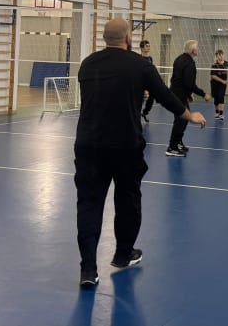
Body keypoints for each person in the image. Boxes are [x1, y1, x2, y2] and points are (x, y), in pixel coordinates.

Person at [75, 19, 206, 287]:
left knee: (89, 204)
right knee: (128, 200)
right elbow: (165, 96)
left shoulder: (87, 64)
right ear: (127, 38)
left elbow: (105, 94)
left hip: (89, 145)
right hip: (125, 146)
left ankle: (88, 269)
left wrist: (135, 93)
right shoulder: (140, 65)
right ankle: (123, 254)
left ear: (104, 38)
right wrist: (189, 115)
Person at [166, 40, 211, 156]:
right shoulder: (189, 63)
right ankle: (172, 148)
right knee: (181, 120)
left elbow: (179, 80)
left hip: (176, 93)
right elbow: (189, 84)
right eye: (197, 47)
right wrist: (204, 94)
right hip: (178, 94)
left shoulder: (179, 58)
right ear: (193, 50)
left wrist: (188, 94)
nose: (198, 49)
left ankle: (178, 143)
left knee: (185, 118)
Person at [139, 40, 156, 123]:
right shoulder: (138, 58)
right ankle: (136, 115)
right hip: (140, 82)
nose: (149, 47)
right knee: (140, 99)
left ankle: (145, 112)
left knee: (151, 98)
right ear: (142, 48)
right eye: (147, 46)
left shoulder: (150, 58)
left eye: (149, 46)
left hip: (149, 82)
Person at [209, 49, 228, 120]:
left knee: (221, 97)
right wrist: (222, 81)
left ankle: (221, 114)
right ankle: (217, 113)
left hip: (222, 84)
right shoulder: (214, 65)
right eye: (218, 55)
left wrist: (224, 81)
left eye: (221, 55)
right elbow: (213, 76)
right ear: (216, 56)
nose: (220, 57)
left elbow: (224, 70)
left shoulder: (226, 63)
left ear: (223, 55)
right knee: (216, 98)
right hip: (215, 83)